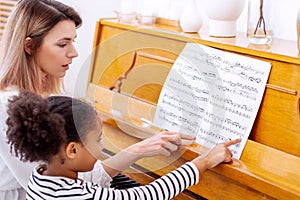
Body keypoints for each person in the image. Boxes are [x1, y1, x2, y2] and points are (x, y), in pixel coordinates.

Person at [0, 0, 200, 199]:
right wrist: (139, 151)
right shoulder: (8, 109)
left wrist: (139, 149)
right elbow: (75, 184)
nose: (74, 52)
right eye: (63, 44)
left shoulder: (47, 98)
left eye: (73, 41)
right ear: (29, 46)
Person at [6, 90, 241, 199]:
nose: (103, 145)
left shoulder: (42, 178)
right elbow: (144, 196)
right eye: (97, 140)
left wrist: (139, 148)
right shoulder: (75, 196)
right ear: (73, 149)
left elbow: (92, 179)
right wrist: (205, 160)